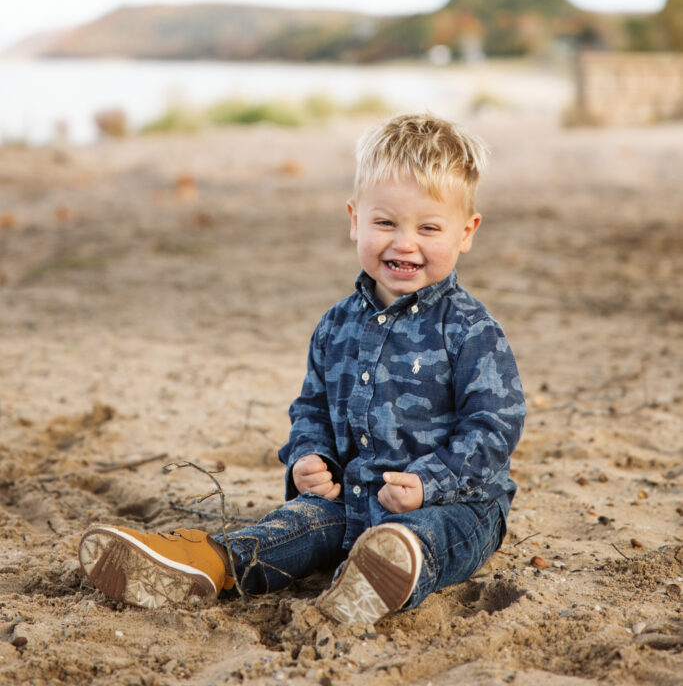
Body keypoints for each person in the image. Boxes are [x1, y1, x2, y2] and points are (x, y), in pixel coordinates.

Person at [79, 113, 525, 623]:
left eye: (428, 228)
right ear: (355, 219)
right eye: (385, 223)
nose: (405, 243)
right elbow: (311, 407)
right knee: (290, 527)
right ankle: (205, 564)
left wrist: (430, 483)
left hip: (459, 506)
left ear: (466, 232)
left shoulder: (470, 329)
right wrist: (307, 459)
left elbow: (495, 426)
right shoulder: (336, 325)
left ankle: (382, 574)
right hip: (350, 500)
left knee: (429, 538)